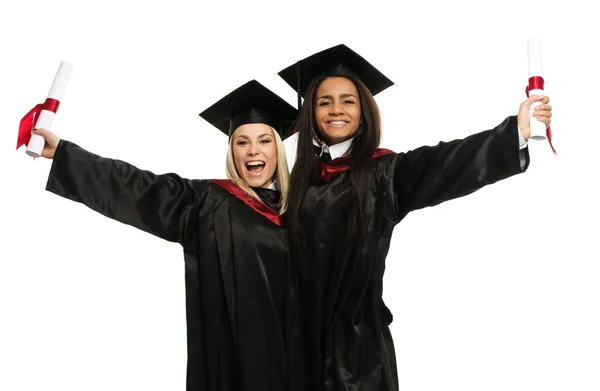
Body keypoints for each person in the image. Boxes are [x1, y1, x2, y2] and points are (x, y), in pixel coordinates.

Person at [277, 44, 553, 390]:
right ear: (311, 113)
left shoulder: (382, 174)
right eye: (324, 101)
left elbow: (441, 164)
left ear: (364, 111)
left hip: (358, 352)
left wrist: (514, 132)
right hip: (300, 346)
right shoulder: (298, 180)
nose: (336, 110)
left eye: (348, 100)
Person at [31, 79, 307, 391]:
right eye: (242, 142)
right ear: (232, 151)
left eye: (264, 141)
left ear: (278, 149)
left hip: (299, 361)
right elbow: (137, 187)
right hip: (231, 362)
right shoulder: (207, 202)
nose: (253, 150)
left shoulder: (307, 207)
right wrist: (67, 155)